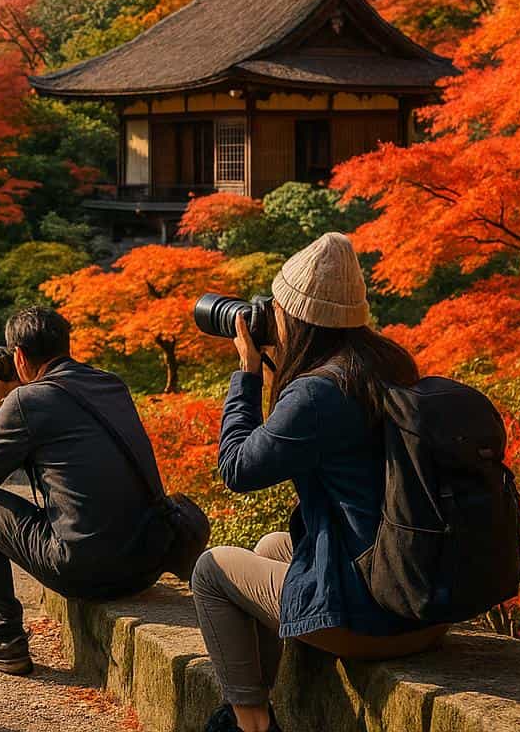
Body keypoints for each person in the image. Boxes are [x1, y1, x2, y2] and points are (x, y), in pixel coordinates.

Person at [190, 233, 449, 732]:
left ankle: (250, 723)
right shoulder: (386, 364)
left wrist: (247, 371)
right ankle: (260, 699)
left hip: (373, 620)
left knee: (209, 571)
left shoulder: (318, 392)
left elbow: (237, 469)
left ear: (296, 317)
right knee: (269, 546)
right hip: (420, 602)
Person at [0, 306, 172, 676]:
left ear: (18, 355)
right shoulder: (110, 383)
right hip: (147, 564)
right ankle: (2, 639)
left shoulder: (27, 402)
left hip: (86, 571)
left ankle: (2, 639)